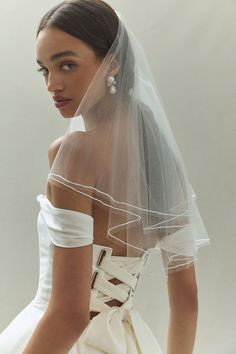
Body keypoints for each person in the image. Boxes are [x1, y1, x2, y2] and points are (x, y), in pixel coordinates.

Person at [0, 0, 211, 353]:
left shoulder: (73, 152)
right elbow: (187, 296)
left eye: (67, 65)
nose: (53, 84)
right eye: (44, 70)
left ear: (112, 63)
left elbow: (70, 314)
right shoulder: (160, 156)